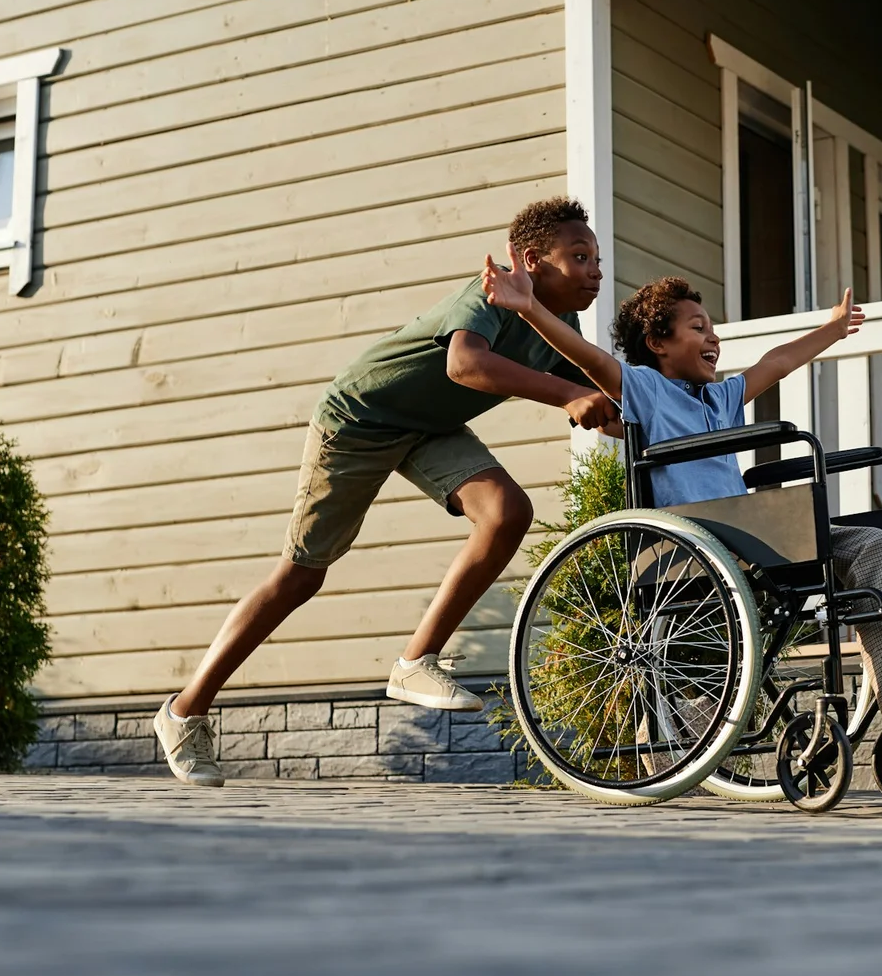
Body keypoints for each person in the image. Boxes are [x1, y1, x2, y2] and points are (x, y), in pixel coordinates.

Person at [484, 257, 882, 791]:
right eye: (697, 328)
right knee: (870, 552)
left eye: (712, 328)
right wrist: (529, 307)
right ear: (658, 342)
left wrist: (834, 329)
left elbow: (777, 362)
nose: (713, 338)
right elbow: (589, 359)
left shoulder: (720, 400)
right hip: (708, 543)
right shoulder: (647, 390)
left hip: (756, 538)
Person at [152, 198, 622, 787]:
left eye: (597, 258)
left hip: (428, 429)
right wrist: (564, 395)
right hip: (360, 417)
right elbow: (465, 365)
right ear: (531, 261)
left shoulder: (559, 330)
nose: (594, 270)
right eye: (578, 257)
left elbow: (604, 393)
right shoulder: (491, 294)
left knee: (507, 512)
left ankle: (414, 662)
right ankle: (184, 711)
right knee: (300, 576)